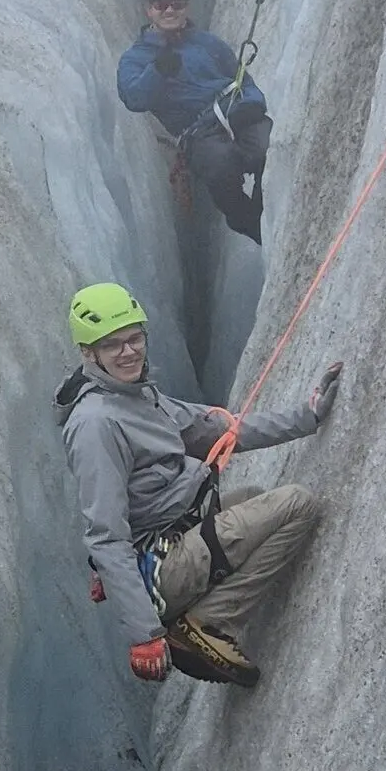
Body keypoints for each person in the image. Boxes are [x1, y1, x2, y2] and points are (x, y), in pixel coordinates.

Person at [56, 281, 342, 688]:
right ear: (89, 353)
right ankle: (207, 622)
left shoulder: (138, 397)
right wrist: (144, 636)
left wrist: (306, 417)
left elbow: (217, 432)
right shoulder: (96, 425)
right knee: (297, 504)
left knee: (255, 501)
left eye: (134, 338)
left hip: (179, 536)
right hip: (158, 568)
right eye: (112, 344)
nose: (129, 351)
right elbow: (105, 537)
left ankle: (205, 615)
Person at [117, 0, 273, 242]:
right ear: (148, 10)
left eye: (176, 4)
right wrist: (158, 71)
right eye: (161, 5)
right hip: (198, 133)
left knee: (269, 150)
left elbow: (242, 79)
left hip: (236, 114)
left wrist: (252, 103)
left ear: (186, 7)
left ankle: (274, 216)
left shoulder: (208, 43)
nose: (169, 11)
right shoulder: (137, 58)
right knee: (222, 166)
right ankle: (249, 224)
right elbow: (133, 97)